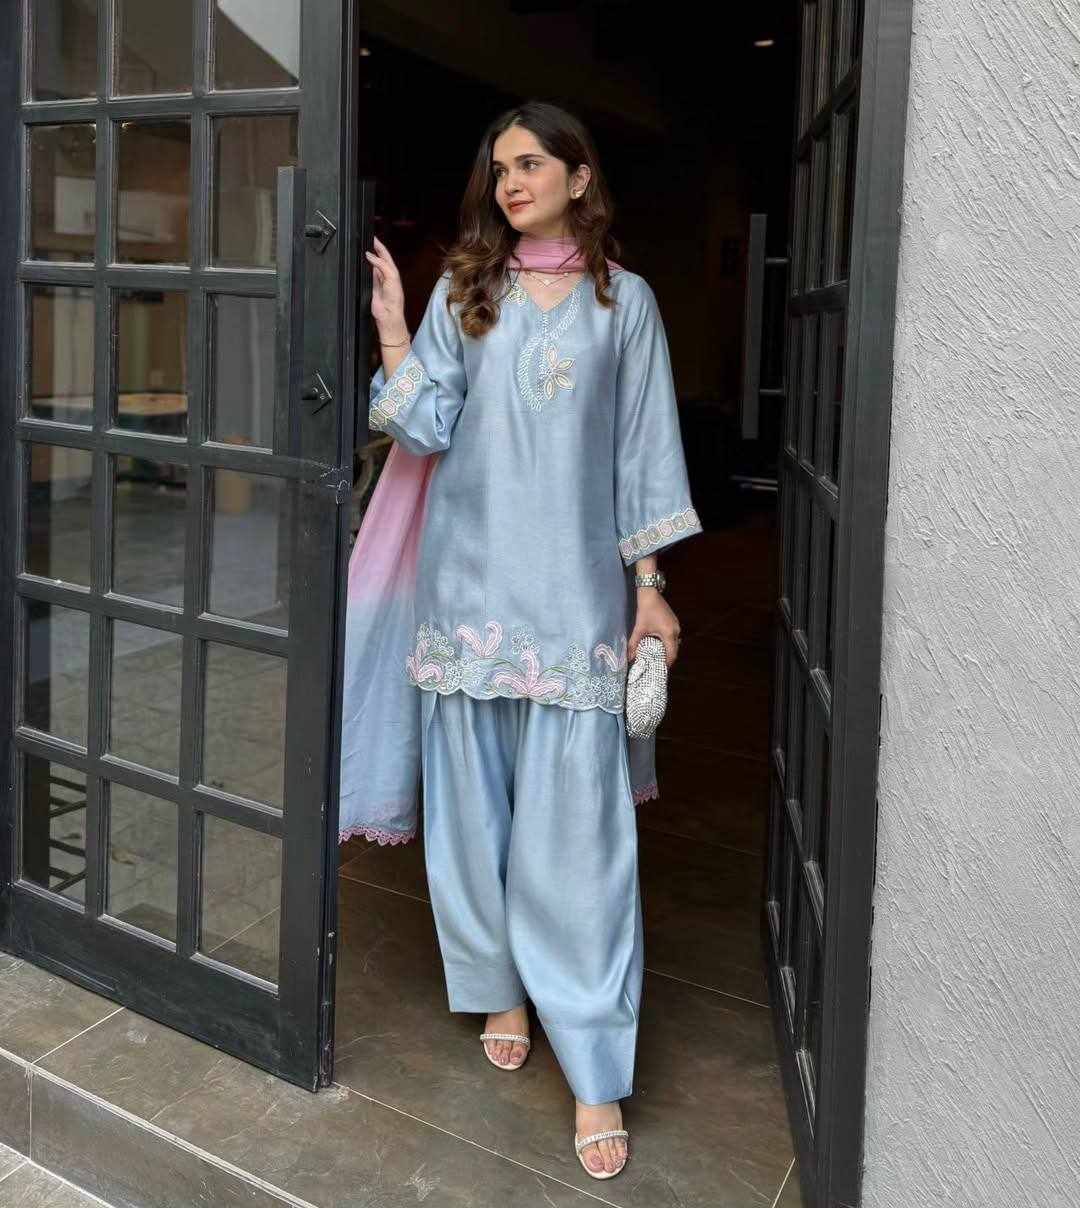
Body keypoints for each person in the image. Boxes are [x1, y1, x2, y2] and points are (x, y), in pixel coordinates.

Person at [339, 99, 703, 1180]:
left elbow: (644, 452)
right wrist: (397, 326)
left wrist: (650, 587)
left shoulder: (626, 303)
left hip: (575, 608)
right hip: (465, 600)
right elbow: (424, 425)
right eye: (499, 167)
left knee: (581, 846)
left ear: (580, 177)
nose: (511, 182)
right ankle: (498, 983)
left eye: (532, 163)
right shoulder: (471, 291)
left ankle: (593, 1061)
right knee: (471, 824)